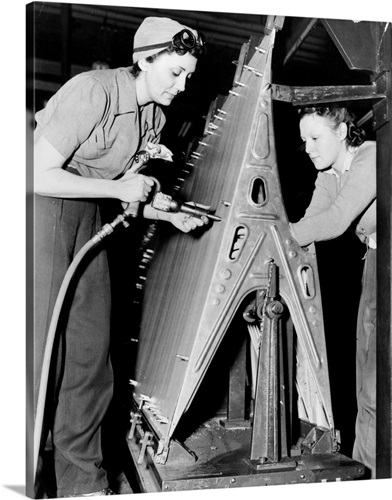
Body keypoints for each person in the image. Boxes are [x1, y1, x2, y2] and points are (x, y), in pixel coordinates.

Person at [33, 17, 207, 497]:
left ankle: (81, 482)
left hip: (92, 220)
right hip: (42, 214)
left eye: (188, 75)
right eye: (174, 72)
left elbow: (116, 194)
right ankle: (22, 470)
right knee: (36, 352)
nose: (182, 84)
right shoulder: (92, 92)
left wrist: (163, 214)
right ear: (144, 60)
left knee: (90, 356)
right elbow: (33, 173)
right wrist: (117, 188)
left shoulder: (155, 116)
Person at [289, 105, 376, 477]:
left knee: (377, 385)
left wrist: (277, 234)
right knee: (364, 383)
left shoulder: (372, 155)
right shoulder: (328, 173)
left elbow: (337, 221)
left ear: (341, 131)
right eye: (303, 140)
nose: (308, 148)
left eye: (314, 137)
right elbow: (311, 223)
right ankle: (367, 475)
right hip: (376, 262)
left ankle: (374, 477)